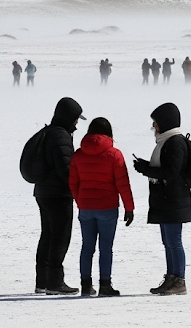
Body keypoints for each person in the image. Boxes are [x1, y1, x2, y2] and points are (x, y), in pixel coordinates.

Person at [69, 117, 135, 296]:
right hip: (107, 208)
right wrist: (129, 207)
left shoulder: (78, 155)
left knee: (87, 246)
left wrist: (81, 201)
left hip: (86, 208)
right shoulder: (114, 154)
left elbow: (73, 183)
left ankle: (85, 285)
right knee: (106, 247)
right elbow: (123, 183)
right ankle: (105, 285)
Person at [132, 103, 191, 295]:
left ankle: (179, 280)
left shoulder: (175, 142)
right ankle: (171, 278)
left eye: (156, 123)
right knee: (168, 241)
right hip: (167, 199)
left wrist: (146, 170)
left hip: (174, 200)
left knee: (174, 241)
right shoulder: (166, 141)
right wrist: (146, 166)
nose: (154, 127)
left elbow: (171, 172)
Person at [34, 97, 86, 295]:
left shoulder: (48, 132)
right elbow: (66, 170)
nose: (76, 124)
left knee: (47, 235)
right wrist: (78, 187)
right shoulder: (61, 136)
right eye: (75, 119)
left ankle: (42, 280)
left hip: (43, 192)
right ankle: (55, 283)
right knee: (60, 237)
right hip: (58, 195)